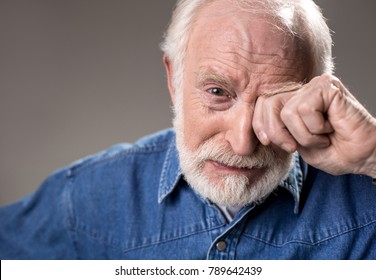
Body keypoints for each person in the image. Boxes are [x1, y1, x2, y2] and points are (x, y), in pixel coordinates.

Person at [1, 0, 375, 260]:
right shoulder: (89, 197)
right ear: (173, 79)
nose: (243, 144)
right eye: (217, 93)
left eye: (274, 100)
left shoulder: (366, 199)